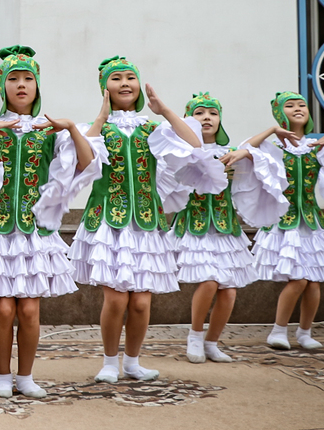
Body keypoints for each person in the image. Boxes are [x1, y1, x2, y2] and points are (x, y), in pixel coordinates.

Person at [0, 46, 102, 398]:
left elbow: (87, 163)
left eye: (28, 78)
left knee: (28, 309)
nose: (22, 84)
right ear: (3, 86)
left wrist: (71, 127)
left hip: (33, 234)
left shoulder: (50, 131)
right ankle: (2, 376)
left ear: (37, 85)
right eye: (13, 79)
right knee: (3, 308)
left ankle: (25, 376)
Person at [70, 57, 221, 384]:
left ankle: (133, 362)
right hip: (109, 223)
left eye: (130, 77)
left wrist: (164, 110)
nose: (125, 83)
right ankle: (109, 362)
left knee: (140, 302)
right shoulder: (97, 128)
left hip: (146, 223)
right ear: (104, 87)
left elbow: (195, 145)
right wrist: (101, 117)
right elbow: (83, 160)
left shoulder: (152, 128)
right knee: (115, 299)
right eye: (116, 78)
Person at [167, 93, 289, 363]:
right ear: (188, 120)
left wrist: (255, 143)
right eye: (199, 113)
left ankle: (212, 342)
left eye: (213, 113)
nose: (207, 118)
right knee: (210, 282)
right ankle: (195, 336)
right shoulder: (183, 151)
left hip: (225, 228)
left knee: (229, 290)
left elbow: (253, 149)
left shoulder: (229, 152)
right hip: (195, 226)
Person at [247, 91, 324, 350]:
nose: (297, 108)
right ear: (280, 114)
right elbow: (246, 148)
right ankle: (278, 331)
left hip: (311, 222)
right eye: (289, 106)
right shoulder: (274, 147)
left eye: (302, 104)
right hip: (285, 222)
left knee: (313, 282)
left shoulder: (316, 145)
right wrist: (272, 130)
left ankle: (305, 333)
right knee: (299, 279)